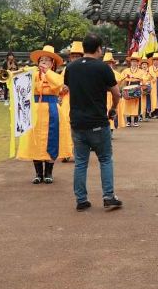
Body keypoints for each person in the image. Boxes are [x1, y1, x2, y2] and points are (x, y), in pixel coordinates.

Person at [63, 33, 123, 212]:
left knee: (81, 162)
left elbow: (68, 88)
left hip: (77, 122)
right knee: (105, 159)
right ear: (99, 49)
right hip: (97, 121)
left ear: (83, 49)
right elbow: (117, 93)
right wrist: (113, 109)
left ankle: (81, 199)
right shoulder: (103, 68)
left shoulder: (71, 68)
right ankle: (108, 196)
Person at [16, 45, 70, 184]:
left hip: (51, 108)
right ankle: (38, 173)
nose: (44, 62)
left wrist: (47, 72)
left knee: (51, 139)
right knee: (35, 140)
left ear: (53, 64)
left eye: (47, 60)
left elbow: (58, 84)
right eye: (42, 60)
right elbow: (20, 85)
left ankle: (48, 173)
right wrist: (20, 73)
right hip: (35, 109)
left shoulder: (56, 76)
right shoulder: (33, 74)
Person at [119, 53, 147, 126]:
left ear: (138, 63)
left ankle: (135, 121)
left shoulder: (141, 71)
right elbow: (120, 78)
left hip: (137, 87)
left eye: (135, 61)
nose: (134, 63)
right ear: (130, 62)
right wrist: (125, 77)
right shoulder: (126, 70)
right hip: (128, 86)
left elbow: (144, 79)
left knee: (136, 104)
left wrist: (137, 78)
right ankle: (128, 121)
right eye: (132, 61)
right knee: (127, 103)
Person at [103, 52, 126, 130]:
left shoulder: (117, 74)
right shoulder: (100, 73)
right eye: (106, 63)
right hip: (104, 95)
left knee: (112, 112)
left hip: (113, 95)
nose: (108, 64)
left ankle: (111, 129)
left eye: (110, 63)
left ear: (112, 64)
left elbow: (120, 86)